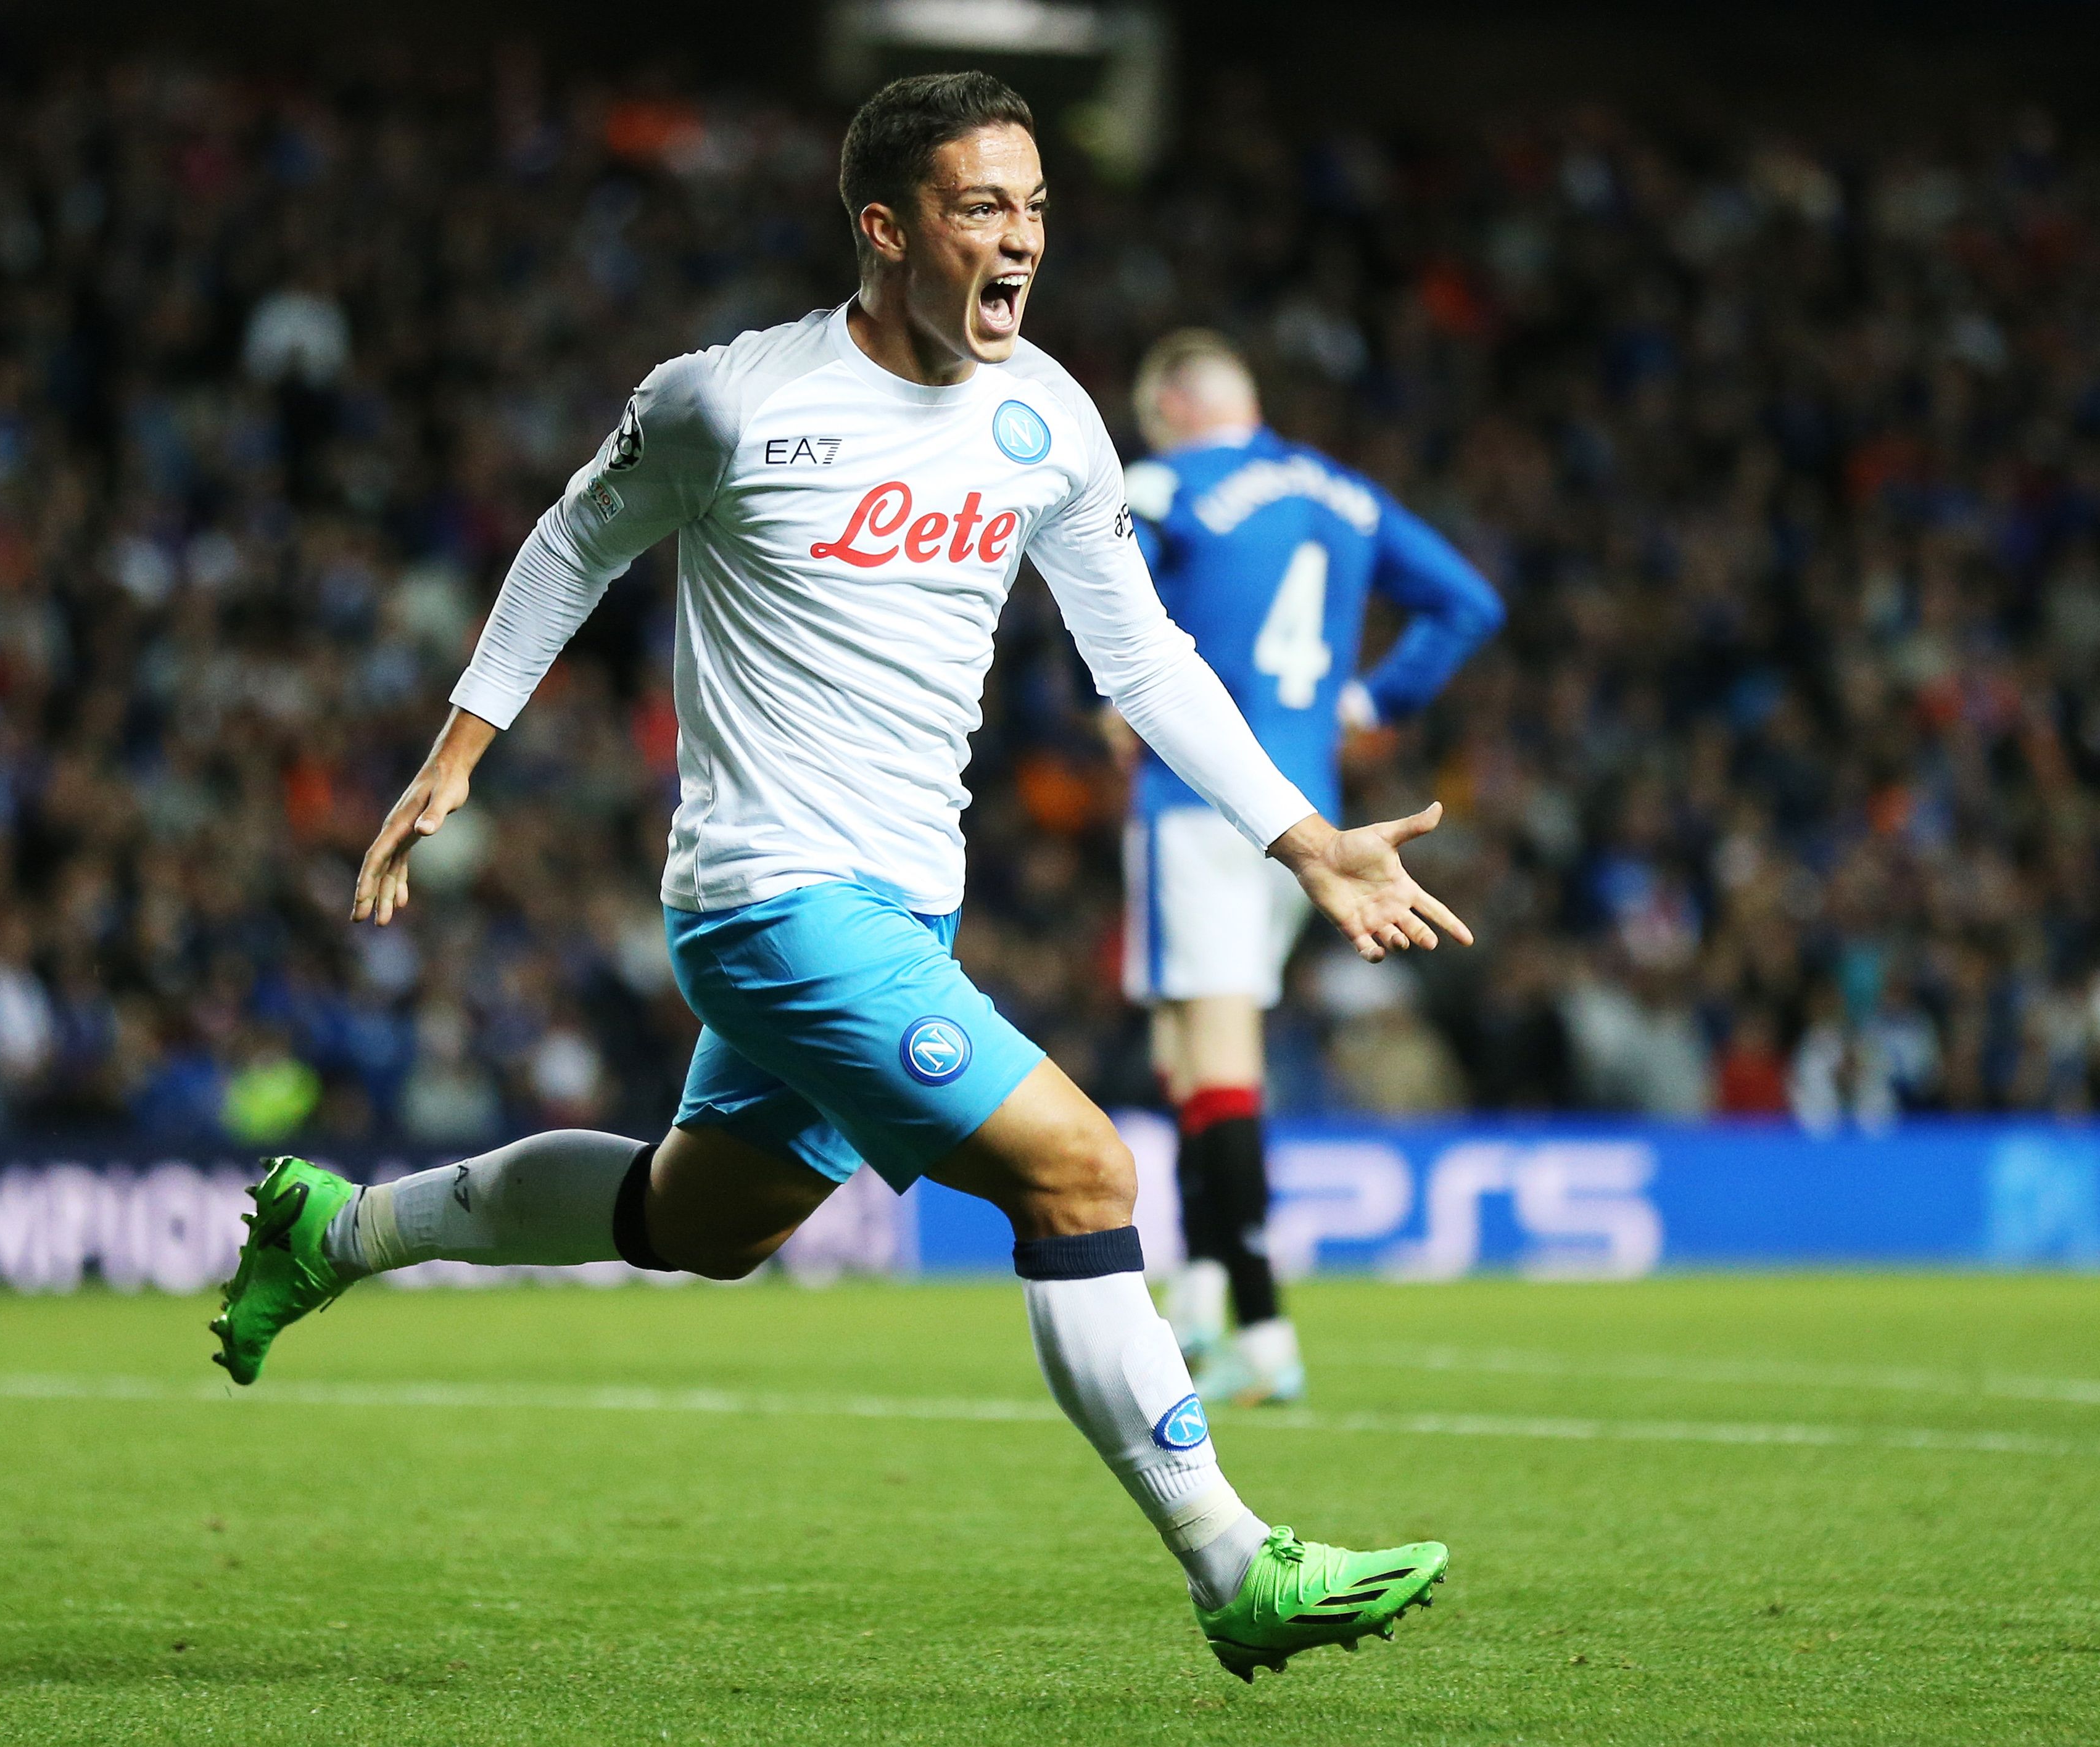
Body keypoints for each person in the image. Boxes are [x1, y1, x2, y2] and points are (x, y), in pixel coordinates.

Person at [209, 72, 1459, 1682]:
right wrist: (457, 754)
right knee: (1081, 1176)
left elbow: (1142, 658)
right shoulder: (728, 402)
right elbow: (570, 543)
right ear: (885, 227)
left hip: (900, 906)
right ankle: (1236, 1566)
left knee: (698, 1217)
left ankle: (339, 1228)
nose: (1018, 243)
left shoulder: (1049, 421)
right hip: (766, 905)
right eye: (978, 209)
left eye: (1032, 210)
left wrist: (1302, 833)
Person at [1109, 331, 1502, 1404]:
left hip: (1199, 799)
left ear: (1177, 406)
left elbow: (1114, 589)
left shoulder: (1165, 480)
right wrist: (1373, 702)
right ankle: (1192, 1300)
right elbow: (1472, 604)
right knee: (1187, 1046)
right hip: (1312, 816)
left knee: (1215, 1056)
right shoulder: (1346, 494)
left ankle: (1266, 1333)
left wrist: (1110, 701)